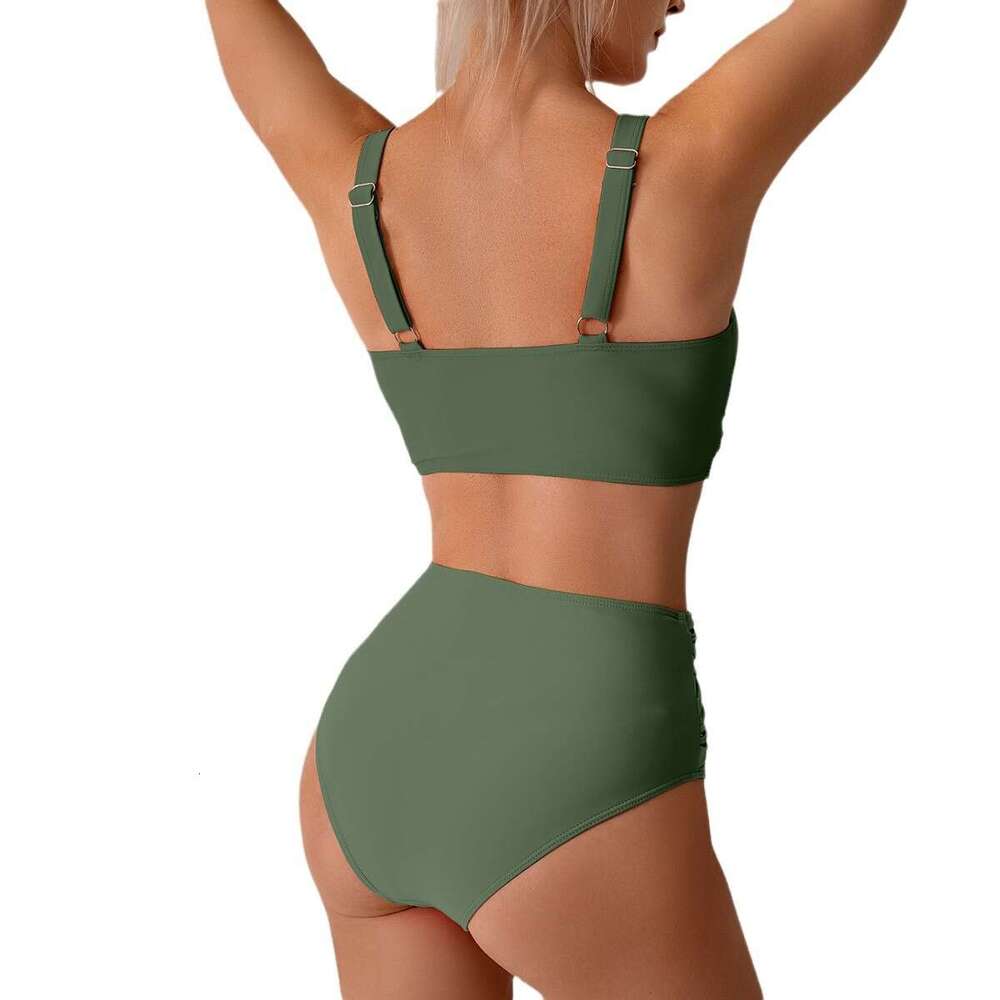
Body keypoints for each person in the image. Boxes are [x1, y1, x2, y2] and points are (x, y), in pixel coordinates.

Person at [207, 2, 905, 996]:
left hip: (372, 751)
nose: (679, 1)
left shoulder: (358, 180)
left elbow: (243, 30)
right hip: (577, 751)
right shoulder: (687, 164)